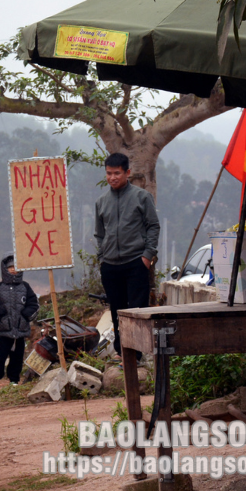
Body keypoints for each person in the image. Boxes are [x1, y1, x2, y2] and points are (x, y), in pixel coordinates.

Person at [94, 153, 159, 359]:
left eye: (117, 173)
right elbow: (99, 233)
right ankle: (124, 354)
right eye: (109, 173)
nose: (113, 177)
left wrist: (147, 256)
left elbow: (153, 226)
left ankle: (138, 356)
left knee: (137, 311)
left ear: (127, 173)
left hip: (135, 263)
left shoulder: (142, 197)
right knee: (117, 311)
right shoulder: (102, 201)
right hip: (110, 265)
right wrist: (102, 257)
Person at [0, 255, 39, 389]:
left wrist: (25, 316)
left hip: (21, 329)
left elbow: (33, 304)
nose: (13, 270)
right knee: (1, 355)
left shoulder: (25, 287)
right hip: (4, 329)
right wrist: (0, 315)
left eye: (15, 267)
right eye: (10, 267)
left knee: (17, 356)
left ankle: (14, 380)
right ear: (5, 269)